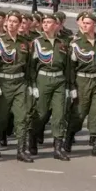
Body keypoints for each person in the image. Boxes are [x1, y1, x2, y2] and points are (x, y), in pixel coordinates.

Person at [28, 13, 72, 161]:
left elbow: (68, 67)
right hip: (43, 78)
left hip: (59, 79)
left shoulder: (62, 44)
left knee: (59, 114)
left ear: (56, 25)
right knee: (40, 113)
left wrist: (68, 86)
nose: (46, 24)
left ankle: (57, 148)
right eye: (44, 22)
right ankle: (33, 136)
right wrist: (33, 85)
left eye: (49, 22)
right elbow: (31, 67)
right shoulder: (36, 43)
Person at [0, 11, 34, 163]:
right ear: (6, 22)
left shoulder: (25, 42)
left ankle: (21, 150)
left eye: (16, 21)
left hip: (20, 83)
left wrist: (30, 84)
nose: (12, 24)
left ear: (20, 24)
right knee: (1, 117)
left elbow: (28, 66)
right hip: (3, 83)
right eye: (10, 21)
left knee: (22, 118)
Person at [64, 12, 96, 157]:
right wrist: (71, 86)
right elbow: (70, 67)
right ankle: (69, 135)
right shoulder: (75, 43)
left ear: (94, 24)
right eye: (83, 22)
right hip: (81, 80)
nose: (85, 25)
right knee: (79, 112)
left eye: (88, 23)